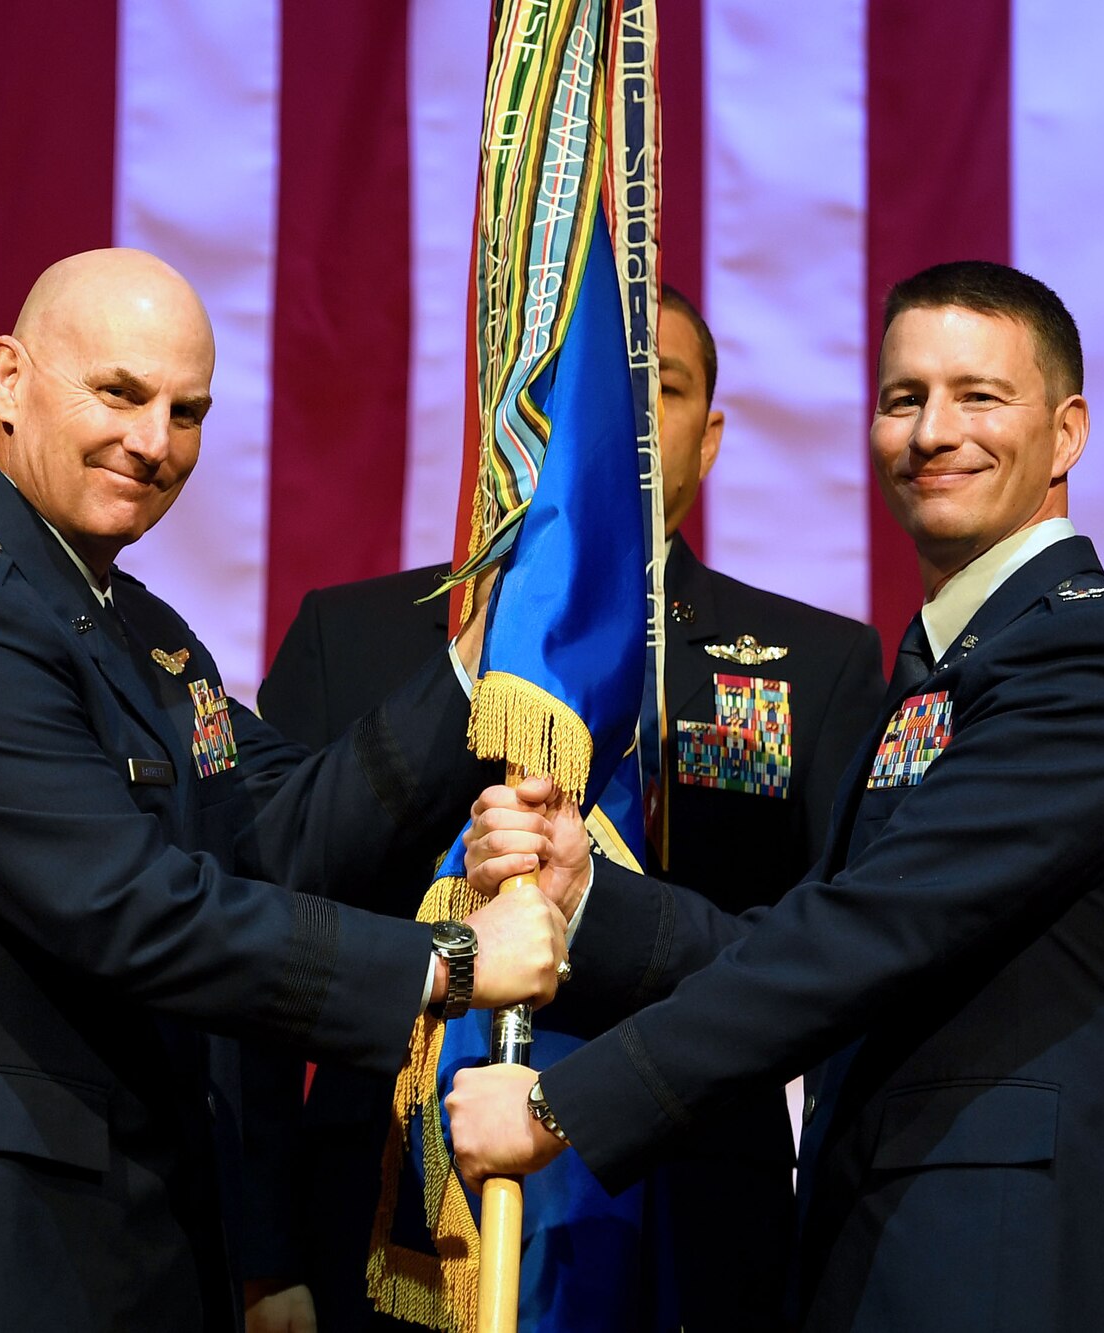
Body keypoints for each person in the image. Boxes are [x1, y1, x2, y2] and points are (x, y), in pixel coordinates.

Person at [0, 248, 571, 1332]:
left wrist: (471, 670)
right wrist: (451, 963)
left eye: (185, 411)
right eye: (118, 393)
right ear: (8, 381)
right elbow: (137, 911)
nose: (152, 443)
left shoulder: (139, 633)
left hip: (127, 1245)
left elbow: (285, 834)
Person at [449, 260, 1104, 1331]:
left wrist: (561, 1104)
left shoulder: (1091, 661)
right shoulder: (948, 665)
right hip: (904, 1255)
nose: (931, 431)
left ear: (1066, 432)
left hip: (1027, 1271)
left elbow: (867, 935)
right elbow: (823, 935)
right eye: (902, 398)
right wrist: (594, 899)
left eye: (978, 396)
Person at [239, 286, 886, 1330]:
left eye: (658, 389)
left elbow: (842, 972)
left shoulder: (816, 667)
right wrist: (262, 1255)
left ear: (708, 437)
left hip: (691, 1233)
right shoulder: (351, 642)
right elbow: (256, 955)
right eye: (577, 391)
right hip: (381, 1237)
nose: (614, 422)